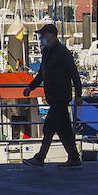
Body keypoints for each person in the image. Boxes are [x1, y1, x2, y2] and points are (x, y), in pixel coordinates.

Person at [22, 23, 84, 168]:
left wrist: (79, 94)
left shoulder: (62, 52)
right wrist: (31, 86)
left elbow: (74, 74)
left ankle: (40, 158)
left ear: (51, 34)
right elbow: (42, 75)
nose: (41, 37)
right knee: (64, 131)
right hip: (53, 97)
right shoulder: (47, 52)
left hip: (60, 97)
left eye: (43, 34)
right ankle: (74, 158)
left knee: (49, 128)